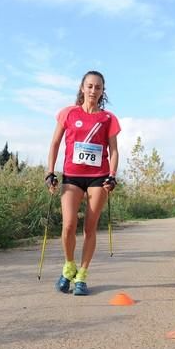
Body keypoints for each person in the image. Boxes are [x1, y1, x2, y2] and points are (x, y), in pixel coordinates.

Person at [45, 71, 121, 295]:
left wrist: (112, 174)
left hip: (99, 177)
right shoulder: (68, 113)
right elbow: (55, 143)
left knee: (90, 227)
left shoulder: (108, 118)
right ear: (82, 88)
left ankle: (82, 276)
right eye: (89, 86)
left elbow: (114, 150)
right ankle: (69, 267)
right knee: (68, 225)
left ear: (102, 91)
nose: (93, 91)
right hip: (72, 175)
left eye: (98, 87)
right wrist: (50, 172)